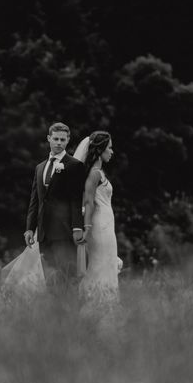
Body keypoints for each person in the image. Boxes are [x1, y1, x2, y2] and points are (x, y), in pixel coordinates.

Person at [23, 122, 85, 286]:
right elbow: (35, 200)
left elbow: (76, 199)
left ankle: (71, 311)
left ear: (68, 140)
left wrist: (77, 227)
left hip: (64, 232)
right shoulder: (39, 168)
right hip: (44, 233)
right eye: (56, 139)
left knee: (68, 278)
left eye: (62, 140)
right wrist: (30, 228)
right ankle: (55, 312)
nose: (59, 142)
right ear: (49, 138)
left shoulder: (74, 165)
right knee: (50, 280)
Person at [73, 131, 121, 306]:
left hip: (107, 226)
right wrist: (87, 227)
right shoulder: (94, 174)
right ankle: (95, 305)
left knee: (107, 263)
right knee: (99, 264)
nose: (112, 151)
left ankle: (105, 304)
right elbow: (88, 200)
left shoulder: (99, 173)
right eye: (109, 148)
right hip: (99, 226)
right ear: (100, 150)